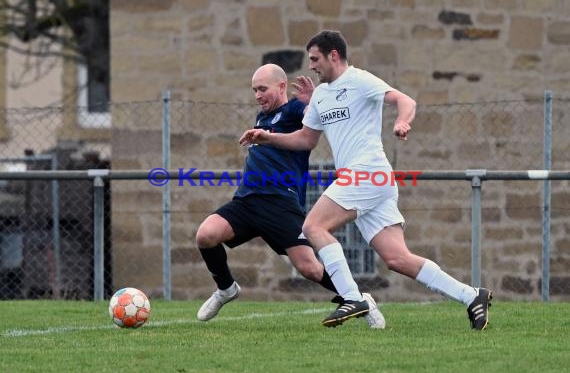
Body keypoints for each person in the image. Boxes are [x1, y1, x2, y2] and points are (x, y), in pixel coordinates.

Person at [240, 30, 493, 330]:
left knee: (313, 226)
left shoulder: (360, 80)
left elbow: (405, 100)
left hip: (368, 171)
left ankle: (352, 297)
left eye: (315, 59)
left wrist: (402, 120)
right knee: (397, 259)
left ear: (333, 55)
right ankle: (472, 296)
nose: (311, 66)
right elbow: (306, 139)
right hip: (364, 180)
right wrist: (268, 138)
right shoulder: (320, 95)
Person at [195, 63, 385, 329]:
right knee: (206, 235)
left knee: (310, 268)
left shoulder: (295, 109)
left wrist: (312, 102)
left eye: (263, 89)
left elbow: (316, 125)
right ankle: (226, 289)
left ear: (282, 86)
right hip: (247, 201)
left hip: (281, 204)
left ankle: (360, 300)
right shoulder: (261, 117)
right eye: (254, 90)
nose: (258, 95)